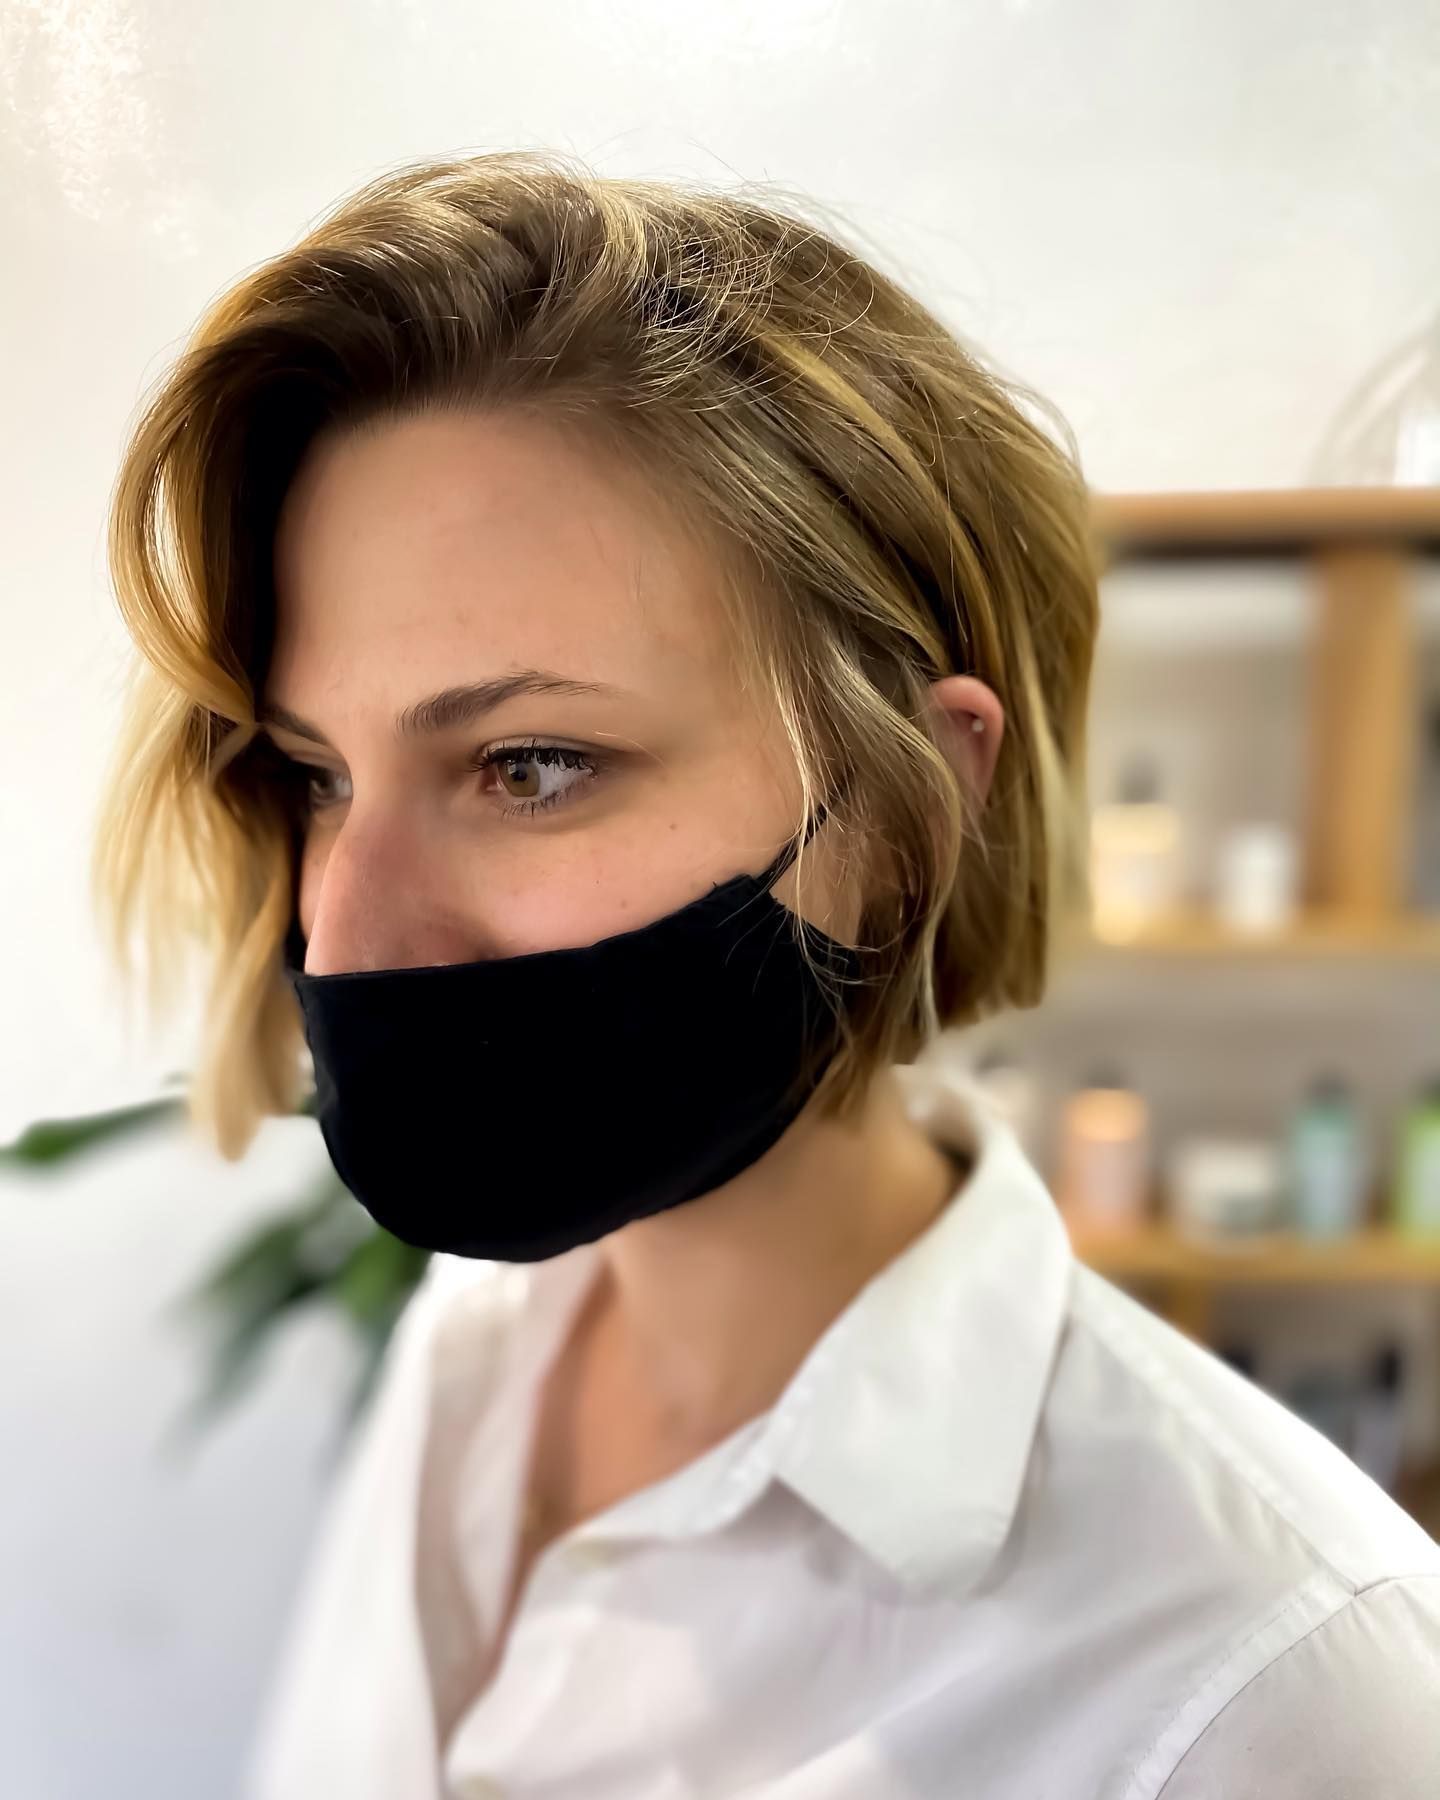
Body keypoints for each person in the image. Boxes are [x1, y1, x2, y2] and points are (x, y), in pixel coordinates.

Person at [94, 150, 1440, 1799]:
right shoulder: (474, 1347)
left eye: (528, 764)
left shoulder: (1278, 1691)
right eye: (320, 774)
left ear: (897, 806)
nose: (348, 938)